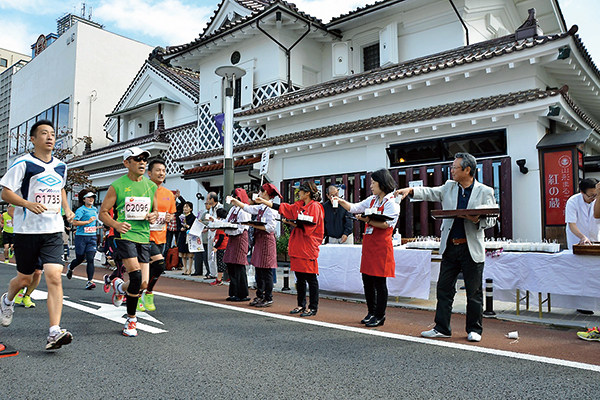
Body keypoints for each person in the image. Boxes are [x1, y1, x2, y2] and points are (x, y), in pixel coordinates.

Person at [395, 153, 497, 342]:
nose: (451, 170)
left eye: (455, 167)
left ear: (467, 170)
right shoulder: (449, 187)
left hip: (471, 248)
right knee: (444, 288)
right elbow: (431, 192)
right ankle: (442, 327)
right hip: (450, 246)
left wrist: (477, 220)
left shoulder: (485, 191)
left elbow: (492, 218)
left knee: (474, 292)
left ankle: (474, 329)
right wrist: (410, 191)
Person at [0, 119, 75, 350]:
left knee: (54, 276)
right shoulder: (24, 163)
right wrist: (26, 203)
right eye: (44, 133)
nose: (50, 137)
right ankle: (7, 299)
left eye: (52, 133)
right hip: (27, 231)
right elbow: (5, 193)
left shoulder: (61, 165)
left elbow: (60, 188)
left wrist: (67, 208)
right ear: (33, 139)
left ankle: (54, 331)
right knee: (24, 279)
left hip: (52, 231)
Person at [99, 146, 158, 337]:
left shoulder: (151, 186)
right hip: (125, 236)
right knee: (135, 277)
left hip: (143, 236)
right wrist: (116, 224)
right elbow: (103, 213)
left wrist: (153, 216)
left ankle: (118, 286)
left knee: (143, 284)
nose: (142, 162)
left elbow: (155, 212)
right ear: (127, 163)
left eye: (144, 159)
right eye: (137, 159)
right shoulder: (117, 186)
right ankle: (131, 320)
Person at [335, 169, 400, 327]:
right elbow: (354, 207)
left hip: (381, 247)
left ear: (382, 183)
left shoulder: (391, 202)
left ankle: (380, 315)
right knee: (367, 280)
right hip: (369, 246)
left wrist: (367, 220)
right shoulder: (372, 200)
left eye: (373, 182)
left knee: (379, 282)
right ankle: (371, 311)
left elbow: (386, 224)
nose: (370, 185)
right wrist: (340, 200)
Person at [255, 181, 324, 317]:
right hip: (298, 244)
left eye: (300, 191)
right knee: (299, 277)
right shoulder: (299, 205)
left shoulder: (315, 206)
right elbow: (283, 208)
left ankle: (313, 307)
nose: (298, 194)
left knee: (310, 278)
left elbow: (311, 225)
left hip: (308, 245)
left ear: (307, 193)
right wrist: (264, 201)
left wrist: (294, 223)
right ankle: (301, 304)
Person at [230, 183, 281, 307]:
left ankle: (268, 297)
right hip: (259, 239)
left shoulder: (271, 208)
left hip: (267, 240)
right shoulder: (262, 207)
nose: (258, 193)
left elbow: (270, 227)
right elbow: (249, 208)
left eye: (260, 191)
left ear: (265, 193)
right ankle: (260, 295)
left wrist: (254, 225)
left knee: (266, 270)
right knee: (259, 268)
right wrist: (237, 203)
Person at [140, 158, 176, 312]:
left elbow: (172, 214)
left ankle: (142, 293)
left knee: (151, 269)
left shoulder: (169, 194)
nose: (161, 173)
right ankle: (145, 293)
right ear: (149, 173)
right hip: (143, 235)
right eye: (158, 170)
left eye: (163, 170)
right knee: (159, 264)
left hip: (161, 236)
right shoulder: (142, 190)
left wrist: (169, 217)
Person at [66, 189, 99, 289]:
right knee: (80, 259)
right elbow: (74, 222)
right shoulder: (81, 210)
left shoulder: (95, 209)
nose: (91, 199)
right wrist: (87, 222)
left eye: (93, 197)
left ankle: (90, 281)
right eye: (89, 197)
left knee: (90, 259)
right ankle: (71, 267)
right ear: (84, 199)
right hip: (81, 237)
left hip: (92, 237)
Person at [222, 188, 251, 302]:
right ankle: (233, 292)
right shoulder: (233, 209)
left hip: (240, 238)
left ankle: (242, 293)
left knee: (239, 266)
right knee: (231, 265)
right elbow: (227, 221)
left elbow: (241, 227)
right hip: (232, 238)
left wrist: (228, 230)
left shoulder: (244, 210)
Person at [565, 178, 600, 249]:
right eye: (591, 195)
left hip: (595, 239)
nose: (594, 198)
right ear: (582, 192)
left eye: (596, 195)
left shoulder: (598, 200)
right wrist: (582, 237)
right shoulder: (573, 202)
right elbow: (572, 224)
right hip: (577, 240)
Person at [199, 192, 222, 279]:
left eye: (208, 199)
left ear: (212, 199)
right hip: (210, 233)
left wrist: (214, 225)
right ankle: (212, 273)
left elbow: (222, 220)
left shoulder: (220, 207)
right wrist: (207, 228)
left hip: (217, 234)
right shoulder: (211, 209)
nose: (207, 201)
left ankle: (218, 274)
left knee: (216, 255)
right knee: (210, 255)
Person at [209, 208, 229, 286]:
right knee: (226, 263)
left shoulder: (221, 226)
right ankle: (229, 277)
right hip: (225, 246)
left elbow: (221, 238)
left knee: (220, 263)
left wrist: (216, 247)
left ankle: (219, 279)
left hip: (221, 246)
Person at [177, 202, 195, 275]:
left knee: (190, 254)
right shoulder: (181, 216)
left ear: (190, 208)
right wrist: (180, 228)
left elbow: (194, 227)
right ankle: (185, 268)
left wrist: (188, 227)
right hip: (182, 236)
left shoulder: (193, 217)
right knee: (183, 254)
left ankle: (190, 269)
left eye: (187, 207)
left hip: (189, 236)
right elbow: (178, 226)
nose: (185, 209)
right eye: (184, 207)